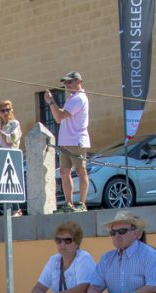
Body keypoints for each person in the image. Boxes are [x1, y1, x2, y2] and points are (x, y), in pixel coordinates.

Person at [87, 211, 156, 293]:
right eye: (113, 232)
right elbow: (94, 286)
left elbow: (155, 286)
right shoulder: (106, 258)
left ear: (135, 233)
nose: (117, 236)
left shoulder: (149, 254)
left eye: (122, 231)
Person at [46, 71, 90, 213]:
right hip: (65, 141)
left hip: (77, 140)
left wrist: (51, 101)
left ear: (79, 82)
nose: (66, 85)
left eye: (69, 82)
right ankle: (68, 203)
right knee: (65, 172)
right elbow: (60, 118)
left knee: (80, 170)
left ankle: (82, 204)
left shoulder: (79, 98)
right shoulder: (71, 98)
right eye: (65, 83)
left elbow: (59, 117)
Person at [31, 222, 96, 293]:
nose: (62, 245)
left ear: (77, 243)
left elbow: (83, 289)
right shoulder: (54, 260)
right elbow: (38, 288)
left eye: (67, 241)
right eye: (59, 241)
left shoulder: (83, 258)